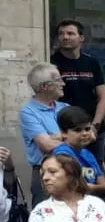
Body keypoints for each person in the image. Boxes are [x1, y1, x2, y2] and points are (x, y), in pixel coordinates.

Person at [50, 20, 105, 155]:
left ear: (81, 38)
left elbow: (103, 97)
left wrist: (94, 126)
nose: (65, 37)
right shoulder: (52, 62)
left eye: (70, 33)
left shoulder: (91, 62)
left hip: (93, 130)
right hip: (68, 131)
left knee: (94, 169)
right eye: (61, 34)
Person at [21, 63, 68, 205]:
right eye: (58, 80)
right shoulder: (28, 112)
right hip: (46, 172)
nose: (63, 84)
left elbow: (87, 136)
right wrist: (69, 137)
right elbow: (46, 146)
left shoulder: (65, 108)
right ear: (44, 87)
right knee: (44, 219)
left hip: (71, 169)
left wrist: (52, 136)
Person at [52, 108, 105, 195]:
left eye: (87, 129)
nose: (84, 133)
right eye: (78, 130)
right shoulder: (61, 154)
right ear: (63, 133)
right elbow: (73, 186)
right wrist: (92, 188)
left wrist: (92, 188)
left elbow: (103, 184)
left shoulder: (88, 154)